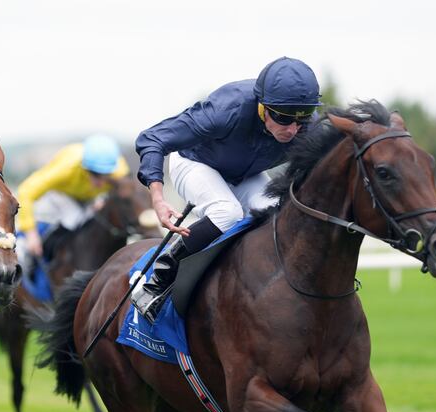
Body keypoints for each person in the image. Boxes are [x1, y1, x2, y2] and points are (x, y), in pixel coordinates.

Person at [131, 57, 321, 323]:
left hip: (245, 173)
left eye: (300, 121)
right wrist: (158, 197)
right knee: (227, 211)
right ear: (263, 107)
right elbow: (153, 138)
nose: (292, 130)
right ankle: (157, 279)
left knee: (275, 214)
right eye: (283, 118)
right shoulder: (226, 110)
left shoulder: (306, 124)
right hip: (194, 162)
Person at [16, 134, 129, 269]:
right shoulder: (67, 167)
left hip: (91, 198)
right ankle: (24, 250)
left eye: (106, 175)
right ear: (84, 167)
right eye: (95, 174)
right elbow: (25, 191)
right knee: (73, 219)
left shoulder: (120, 170)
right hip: (61, 193)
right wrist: (31, 234)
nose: (100, 182)